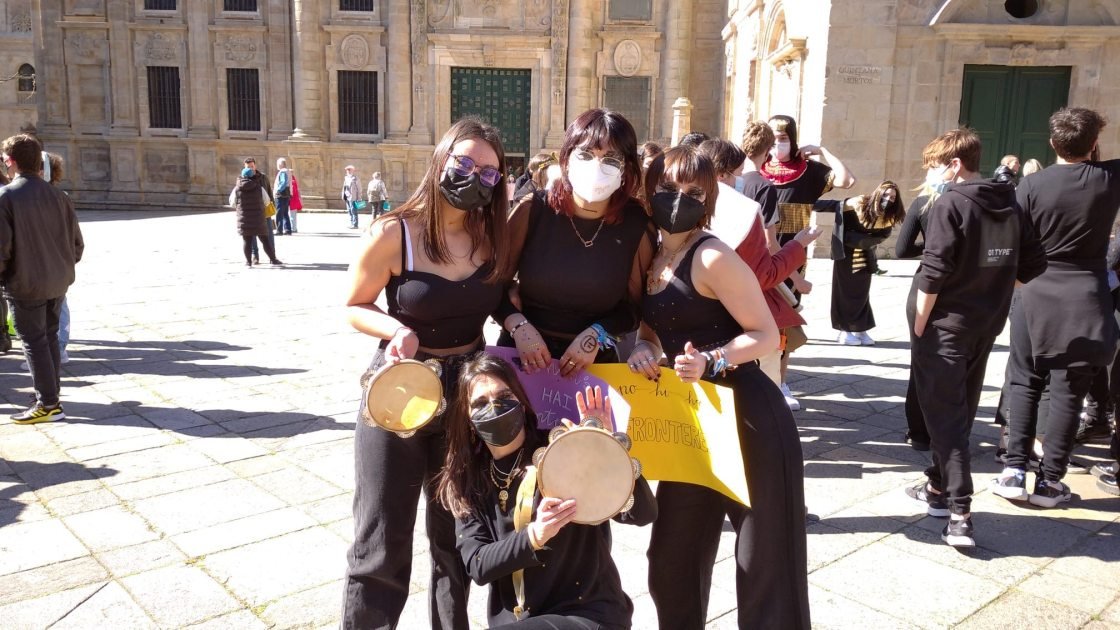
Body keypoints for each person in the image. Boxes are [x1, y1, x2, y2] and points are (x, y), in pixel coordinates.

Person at [341, 117, 514, 630]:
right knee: (381, 538)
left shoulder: (491, 236)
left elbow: (500, 299)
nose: (475, 176)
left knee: (456, 535)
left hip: (466, 396)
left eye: (488, 171)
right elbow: (355, 304)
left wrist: (519, 324)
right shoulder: (394, 231)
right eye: (464, 162)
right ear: (441, 160)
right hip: (403, 388)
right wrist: (396, 329)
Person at [633, 145, 809, 628]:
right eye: (669, 188)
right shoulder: (653, 254)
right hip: (692, 423)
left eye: (694, 192)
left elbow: (765, 334)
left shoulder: (713, 256)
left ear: (708, 200)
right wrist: (643, 350)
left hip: (748, 418)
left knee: (764, 564)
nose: (679, 199)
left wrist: (712, 359)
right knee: (671, 561)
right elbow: (652, 330)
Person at [436, 353, 656, 628]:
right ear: (468, 419)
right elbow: (477, 564)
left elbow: (643, 513)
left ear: (521, 401)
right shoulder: (468, 479)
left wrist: (607, 450)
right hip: (520, 619)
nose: (494, 408)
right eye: (480, 403)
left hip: (587, 611)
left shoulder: (562, 450)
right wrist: (534, 536)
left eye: (504, 396)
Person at [905, 128, 1046, 547]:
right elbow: (1034, 262)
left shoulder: (951, 202)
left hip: (944, 327)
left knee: (944, 416)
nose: (930, 174)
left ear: (954, 164)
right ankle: (937, 486)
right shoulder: (1009, 201)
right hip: (984, 323)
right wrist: (994, 291)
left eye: (934, 166)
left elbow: (934, 270)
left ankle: (959, 510)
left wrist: (920, 323)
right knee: (960, 406)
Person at [993, 108, 1120, 508]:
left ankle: (1014, 470)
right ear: (1094, 144)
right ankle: (1050, 482)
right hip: (1086, 295)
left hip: (1034, 291)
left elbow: (1014, 239)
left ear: (1051, 143)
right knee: (1070, 389)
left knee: (1023, 380)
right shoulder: (1109, 178)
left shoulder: (1031, 184)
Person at [497, 108, 654, 378]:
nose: (597, 166)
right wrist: (518, 326)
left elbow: (633, 308)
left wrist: (597, 334)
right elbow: (493, 285)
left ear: (627, 168)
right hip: (522, 359)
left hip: (593, 366)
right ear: (566, 159)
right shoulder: (533, 210)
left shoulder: (636, 225)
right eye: (585, 154)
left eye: (611, 159)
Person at [698, 137, 819, 385]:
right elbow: (764, 274)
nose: (741, 179)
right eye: (738, 173)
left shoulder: (677, 200)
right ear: (721, 174)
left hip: (692, 320)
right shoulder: (742, 208)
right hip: (742, 321)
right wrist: (798, 245)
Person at [761, 114, 857, 410]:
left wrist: (822, 150)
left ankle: (780, 380)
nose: (778, 144)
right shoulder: (758, 170)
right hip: (759, 252)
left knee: (785, 320)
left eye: (783, 138)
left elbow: (847, 180)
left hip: (793, 253)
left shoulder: (808, 171)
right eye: (773, 138)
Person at [0, 134, 84, 424]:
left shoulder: (6, 197)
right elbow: (77, 245)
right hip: (57, 281)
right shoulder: (59, 196)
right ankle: (50, 397)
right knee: (48, 338)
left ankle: (48, 404)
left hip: (25, 283)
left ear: (10, 162)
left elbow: (2, 249)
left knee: (34, 342)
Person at [825, 181, 906, 346]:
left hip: (866, 254)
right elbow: (835, 206)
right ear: (878, 193)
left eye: (892, 197)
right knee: (845, 292)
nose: (888, 199)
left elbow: (882, 235)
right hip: (846, 254)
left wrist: (864, 241)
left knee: (862, 293)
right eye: (886, 194)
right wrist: (808, 202)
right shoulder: (859, 203)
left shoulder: (887, 216)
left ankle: (860, 328)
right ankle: (845, 330)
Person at [895, 184, 941, 451]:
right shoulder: (981, 202)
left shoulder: (925, 203)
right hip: (967, 288)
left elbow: (902, 249)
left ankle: (919, 432)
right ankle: (951, 431)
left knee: (921, 360)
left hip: (926, 283)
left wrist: (931, 247)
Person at [233, 166, 281, 267]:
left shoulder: (237, 188)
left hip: (244, 219)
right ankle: (273, 259)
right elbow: (267, 201)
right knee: (265, 240)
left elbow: (232, 202)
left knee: (247, 241)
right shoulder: (259, 187)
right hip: (258, 219)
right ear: (253, 176)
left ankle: (248, 262)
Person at [273, 158, 293, 235]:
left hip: (281, 194)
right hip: (287, 194)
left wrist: (278, 190)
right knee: (285, 212)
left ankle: (279, 230)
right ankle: (288, 230)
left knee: (279, 212)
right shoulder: (288, 171)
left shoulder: (283, 172)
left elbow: (283, 182)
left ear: (280, 164)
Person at [342, 165, 362, 229]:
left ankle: (355, 224)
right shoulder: (346, 178)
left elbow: (359, 188)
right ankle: (351, 223)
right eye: (347, 170)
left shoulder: (355, 178)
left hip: (353, 197)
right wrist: (343, 195)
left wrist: (359, 197)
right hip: (347, 196)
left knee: (354, 211)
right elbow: (344, 187)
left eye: (349, 170)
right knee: (349, 210)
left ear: (353, 170)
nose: (348, 171)